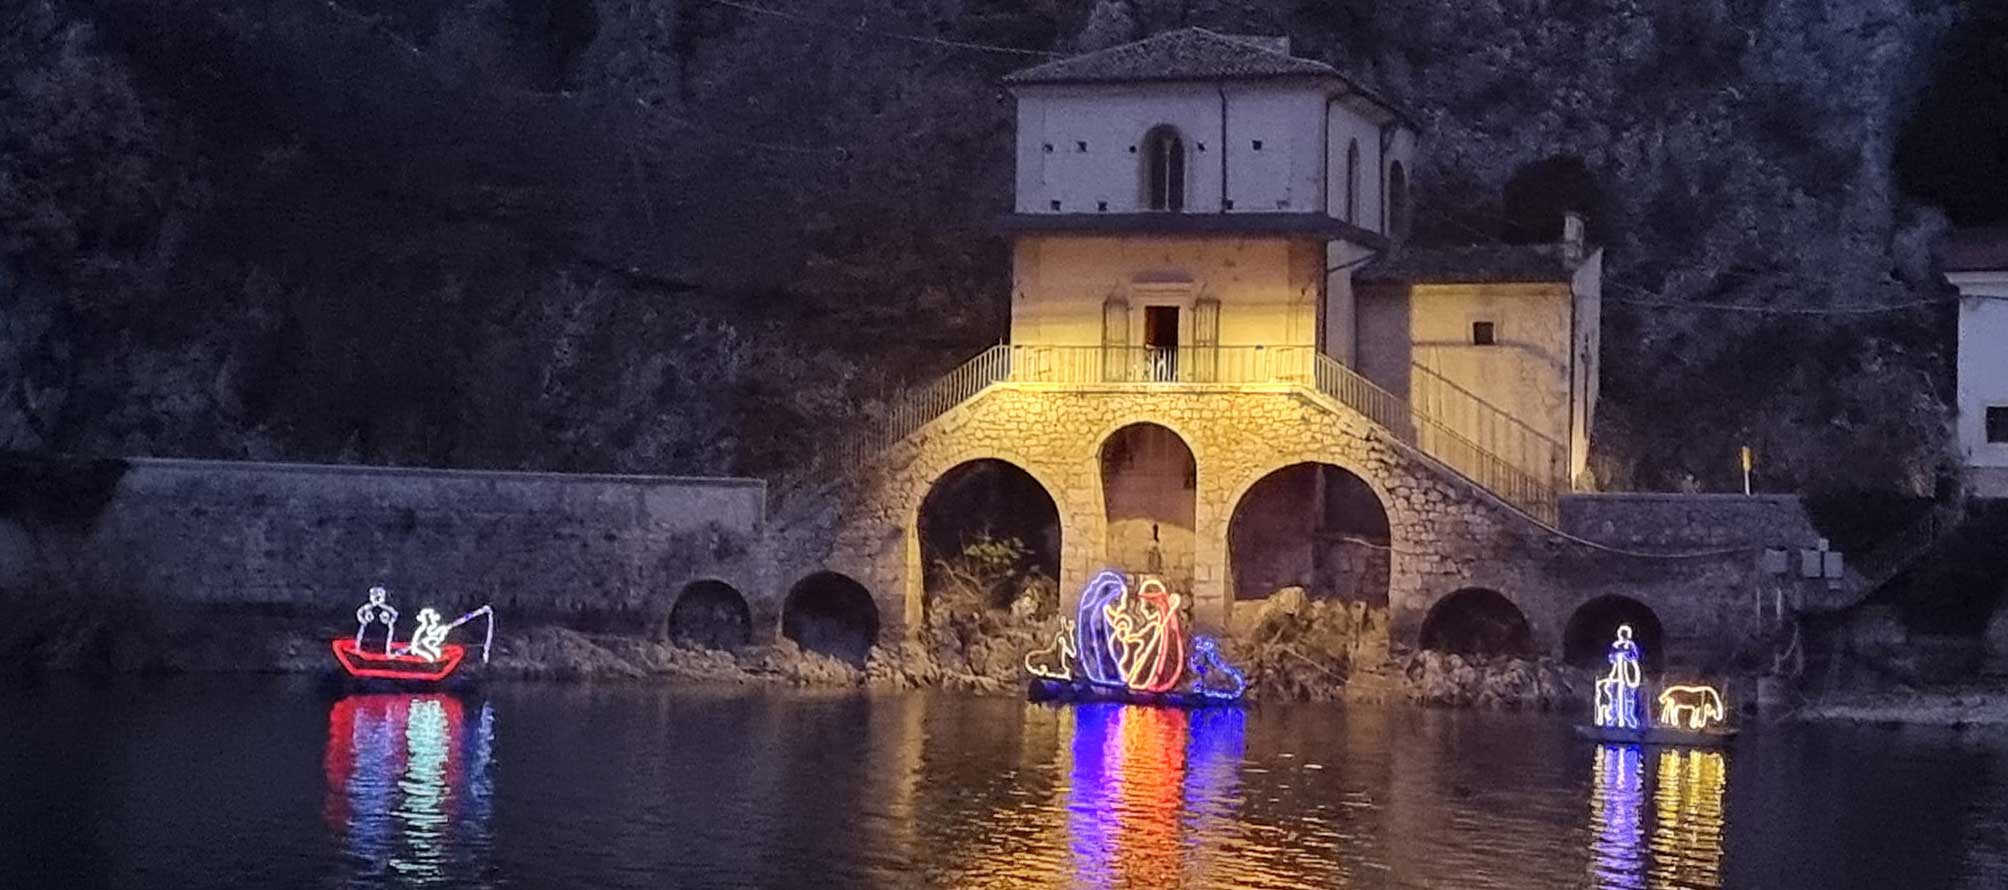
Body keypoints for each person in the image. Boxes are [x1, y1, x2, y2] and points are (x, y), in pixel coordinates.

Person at [354, 586, 399, 655]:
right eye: (374, 595)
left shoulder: (386, 608)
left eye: (379, 595)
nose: (377, 597)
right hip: (368, 628)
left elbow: (395, 614)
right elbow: (359, 613)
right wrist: (363, 621)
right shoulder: (367, 607)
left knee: (383, 641)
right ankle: (361, 649)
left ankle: (385, 651)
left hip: (383, 629)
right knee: (365, 640)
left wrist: (390, 622)